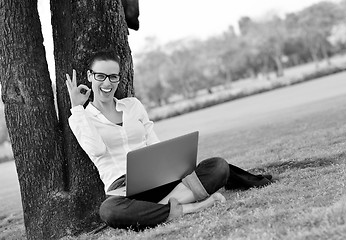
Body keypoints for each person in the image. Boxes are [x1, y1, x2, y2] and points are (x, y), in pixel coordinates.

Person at [66, 50, 274, 230]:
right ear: (90, 76)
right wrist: (77, 107)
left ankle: (164, 208)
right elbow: (97, 150)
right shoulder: (81, 118)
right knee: (109, 211)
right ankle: (191, 205)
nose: (107, 83)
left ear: (119, 78)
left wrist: (168, 167)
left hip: (159, 179)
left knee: (218, 166)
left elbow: (152, 139)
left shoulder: (132, 105)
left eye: (113, 77)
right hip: (124, 192)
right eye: (101, 76)